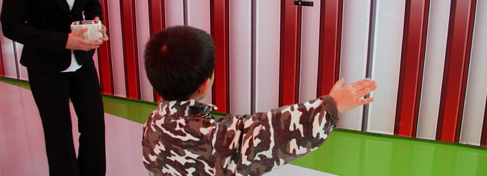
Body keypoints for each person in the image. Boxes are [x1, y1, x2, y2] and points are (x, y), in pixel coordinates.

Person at [142, 25, 377, 175]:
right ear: (206, 83)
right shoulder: (215, 140)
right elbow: (273, 133)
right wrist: (331, 106)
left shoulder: (152, 123)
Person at [0, 0, 109, 176]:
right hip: (46, 67)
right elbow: (10, 25)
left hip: (83, 61)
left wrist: (95, 21)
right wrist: (64, 41)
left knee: (95, 129)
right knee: (59, 136)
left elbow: (91, 4)